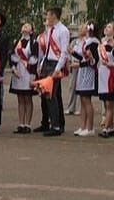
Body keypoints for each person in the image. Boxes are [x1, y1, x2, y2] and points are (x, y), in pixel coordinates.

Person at [37, 7, 70, 137]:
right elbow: (47, 50)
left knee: (52, 95)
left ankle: (56, 126)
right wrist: (41, 63)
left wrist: (57, 69)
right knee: (46, 94)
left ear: (54, 16)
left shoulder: (63, 31)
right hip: (47, 62)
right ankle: (53, 122)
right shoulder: (50, 29)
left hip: (55, 64)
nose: (46, 18)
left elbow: (64, 52)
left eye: (48, 15)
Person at [71, 22, 99, 137]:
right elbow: (83, 57)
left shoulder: (94, 42)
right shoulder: (86, 42)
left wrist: (81, 64)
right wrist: (73, 53)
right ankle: (82, 126)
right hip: (82, 72)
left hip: (89, 73)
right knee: (82, 100)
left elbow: (93, 60)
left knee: (87, 100)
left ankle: (90, 127)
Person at [9, 22, 36, 134]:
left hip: (28, 72)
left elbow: (35, 58)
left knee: (28, 98)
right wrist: (13, 68)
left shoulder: (34, 42)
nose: (25, 27)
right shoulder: (17, 42)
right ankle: (21, 123)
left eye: (27, 26)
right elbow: (11, 55)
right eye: (23, 25)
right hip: (18, 71)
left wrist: (33, 75)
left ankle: (28, 124)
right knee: (20, 98)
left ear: (31, 31)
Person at [97, 22, 114, 138]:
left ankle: (107, 128)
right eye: (106, 26)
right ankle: (110, 127)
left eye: (110, 27)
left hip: (111, 74)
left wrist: (112, 64)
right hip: (102, 74)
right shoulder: (102, 43)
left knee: (109, 103)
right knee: (105, 103)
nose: (107, 28)